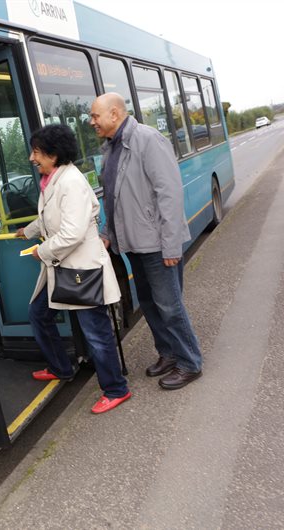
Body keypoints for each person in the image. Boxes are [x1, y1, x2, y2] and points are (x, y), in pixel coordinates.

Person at [90, 92, 203, 390]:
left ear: (114, 114)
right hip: (135, 244)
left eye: (95, 116)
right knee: (151, 305)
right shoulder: (111, 147)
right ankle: (168, 354)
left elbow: (170, 193)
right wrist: (107, 235)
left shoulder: (147, 139)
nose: (92, 122)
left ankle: (190, 362)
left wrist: (171, 244)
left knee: (170, 306)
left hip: (156, 243)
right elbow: (114, 199)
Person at [16, 124, 131, 414]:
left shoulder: (70, 183)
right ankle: (61, 367)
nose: (32, 158)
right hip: (64, 268)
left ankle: (116, 389)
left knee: (96, 331)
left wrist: (41, 251)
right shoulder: (53, 179)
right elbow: (52, 218)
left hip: (80, 269)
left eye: (37, 152)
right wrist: (28, 231)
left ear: (53, 155)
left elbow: (72, 233)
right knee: (39, 314)